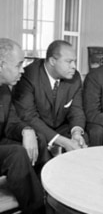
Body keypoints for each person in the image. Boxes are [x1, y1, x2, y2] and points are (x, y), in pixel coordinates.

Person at [13, 40, 88, 154]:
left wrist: (76, 133)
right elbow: (28, 117)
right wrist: (62, 141)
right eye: (69, 61)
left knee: (83, 139)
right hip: (36, 128)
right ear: (53, 61)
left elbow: (76, 110)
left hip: (61, 126)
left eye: (75, 61)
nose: (74, 66)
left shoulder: (75, 77)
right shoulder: (29, 76)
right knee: (40, 141)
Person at [0, 38, 45, 213]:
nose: (22, 70)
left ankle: (44, 193)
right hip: (5, 150)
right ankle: (37, 209)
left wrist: (27, 131)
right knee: (16, 154)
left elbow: (11, 122)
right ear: (1, 65)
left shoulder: (4, 89)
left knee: (37, 138)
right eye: (18, 65)